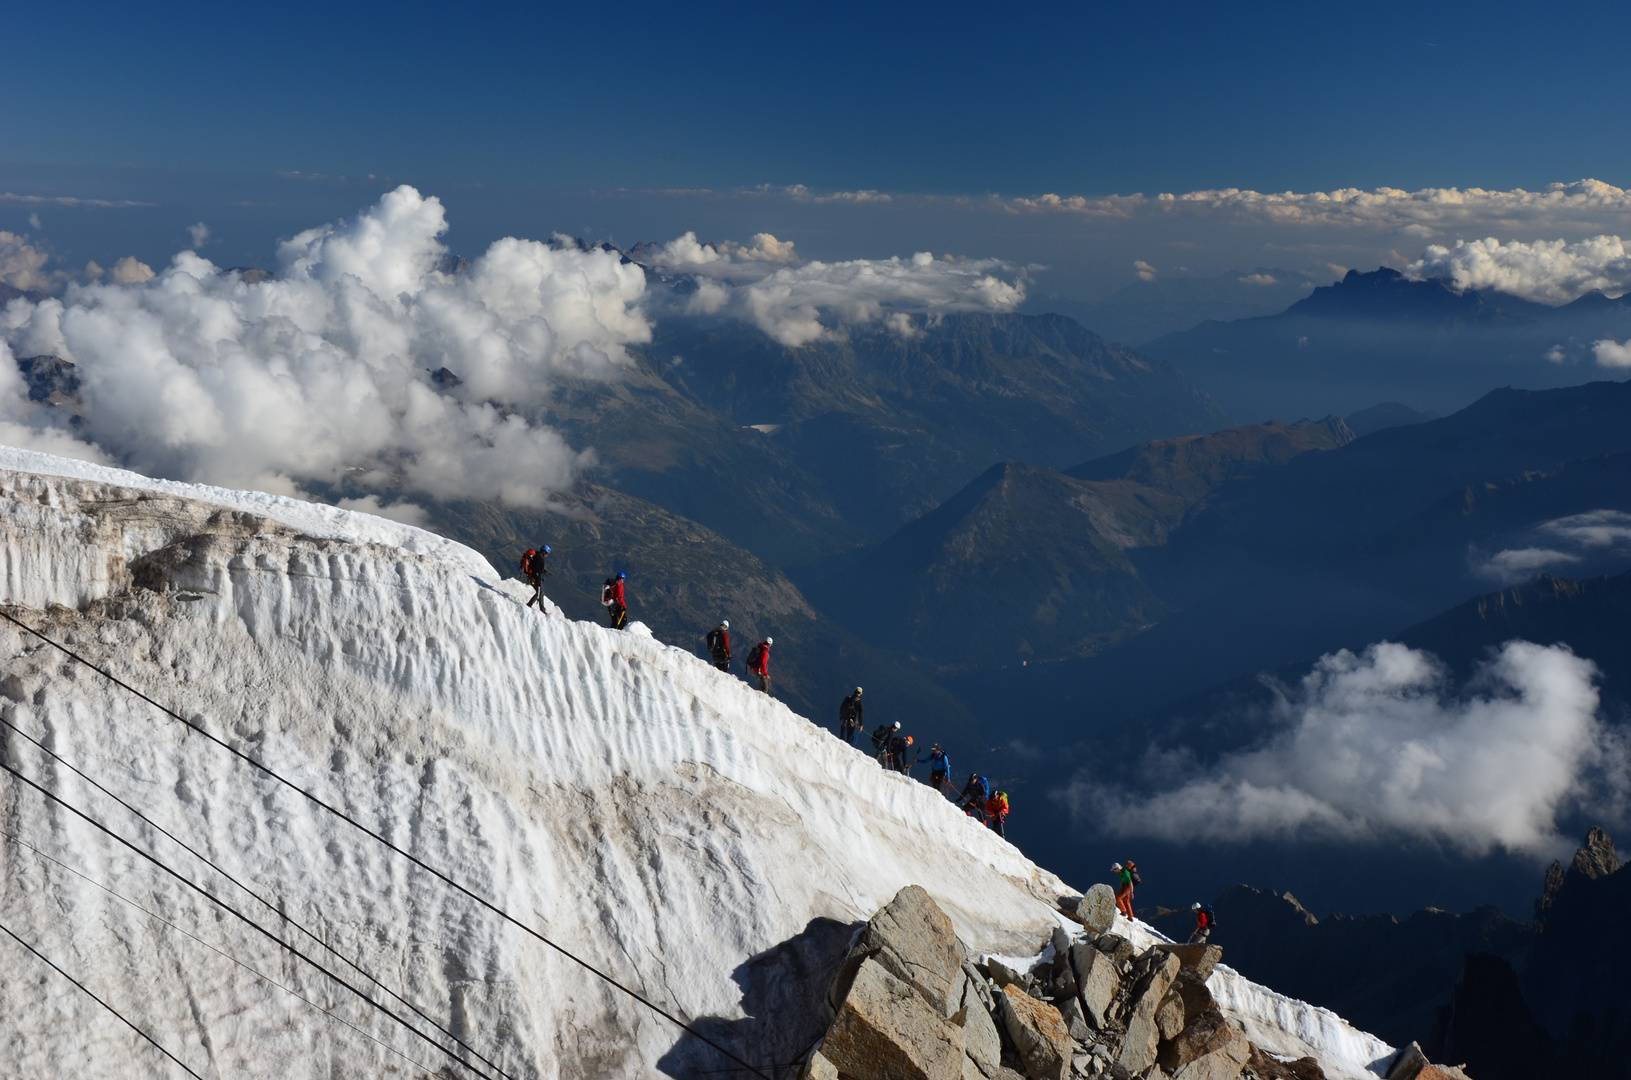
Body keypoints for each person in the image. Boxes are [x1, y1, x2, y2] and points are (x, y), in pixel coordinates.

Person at [519, 546, 551, 610]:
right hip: (534, 578)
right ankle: (541, 609)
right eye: (547, 553)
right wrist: (537, 579)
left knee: (539, 592)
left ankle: (530, 604)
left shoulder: (537, 556)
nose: (547, 555)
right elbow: (535, 569)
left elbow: (536, 568)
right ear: (544, 552)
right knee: (540, 592)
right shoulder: (538, 558)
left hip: (532, 577)